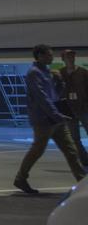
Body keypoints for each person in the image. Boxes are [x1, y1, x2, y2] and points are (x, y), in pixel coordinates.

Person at [14, 44, 86, 194]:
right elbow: (42, 99)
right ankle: (21, 178)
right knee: (37, 151)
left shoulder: (47, 72)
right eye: (49, 55)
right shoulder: (34, 73)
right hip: (43, 120)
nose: (52, 58)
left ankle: (82, 182)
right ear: (40, 56)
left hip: (55, 119)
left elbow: (55, 96)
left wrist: (60, 83)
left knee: (71, 150)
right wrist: (57, 115)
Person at [57, 49, 88, 166]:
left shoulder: (83, 73)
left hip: (84, 108)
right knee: (75, 137)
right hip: (68, 110)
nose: (71, 58)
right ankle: (84, 159)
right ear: (63, 59)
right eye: (68, 56)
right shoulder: (60, 74)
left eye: (72, 56)